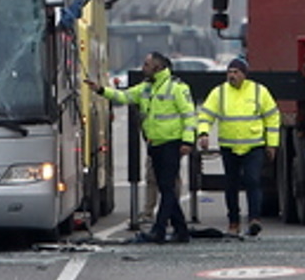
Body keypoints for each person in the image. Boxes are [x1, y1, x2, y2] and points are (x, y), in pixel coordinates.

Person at [88, 52, 197, 243]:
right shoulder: (146, 88)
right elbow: (124, 96)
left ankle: (159, 229)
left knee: (167, 187)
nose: (143, 68)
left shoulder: (177, 88)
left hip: (172, 144)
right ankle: (181, 231)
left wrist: (187, 142)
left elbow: (189, 115)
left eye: (147, 64)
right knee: (166, 189)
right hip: (154, 145)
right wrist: (100, 90)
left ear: (158, 67)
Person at [198, 57, 280, 237]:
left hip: (254, 146)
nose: (232, 76)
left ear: (244, 74)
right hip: (229, 146)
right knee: (231, 184)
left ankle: (254, 219)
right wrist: (203, 133)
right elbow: (206, 114)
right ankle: (233, 221)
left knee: (252, 181)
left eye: (236, 72)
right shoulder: (219, 93)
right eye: (229, 72)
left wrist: (272, 144)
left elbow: (272, 117)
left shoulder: (259, 91)